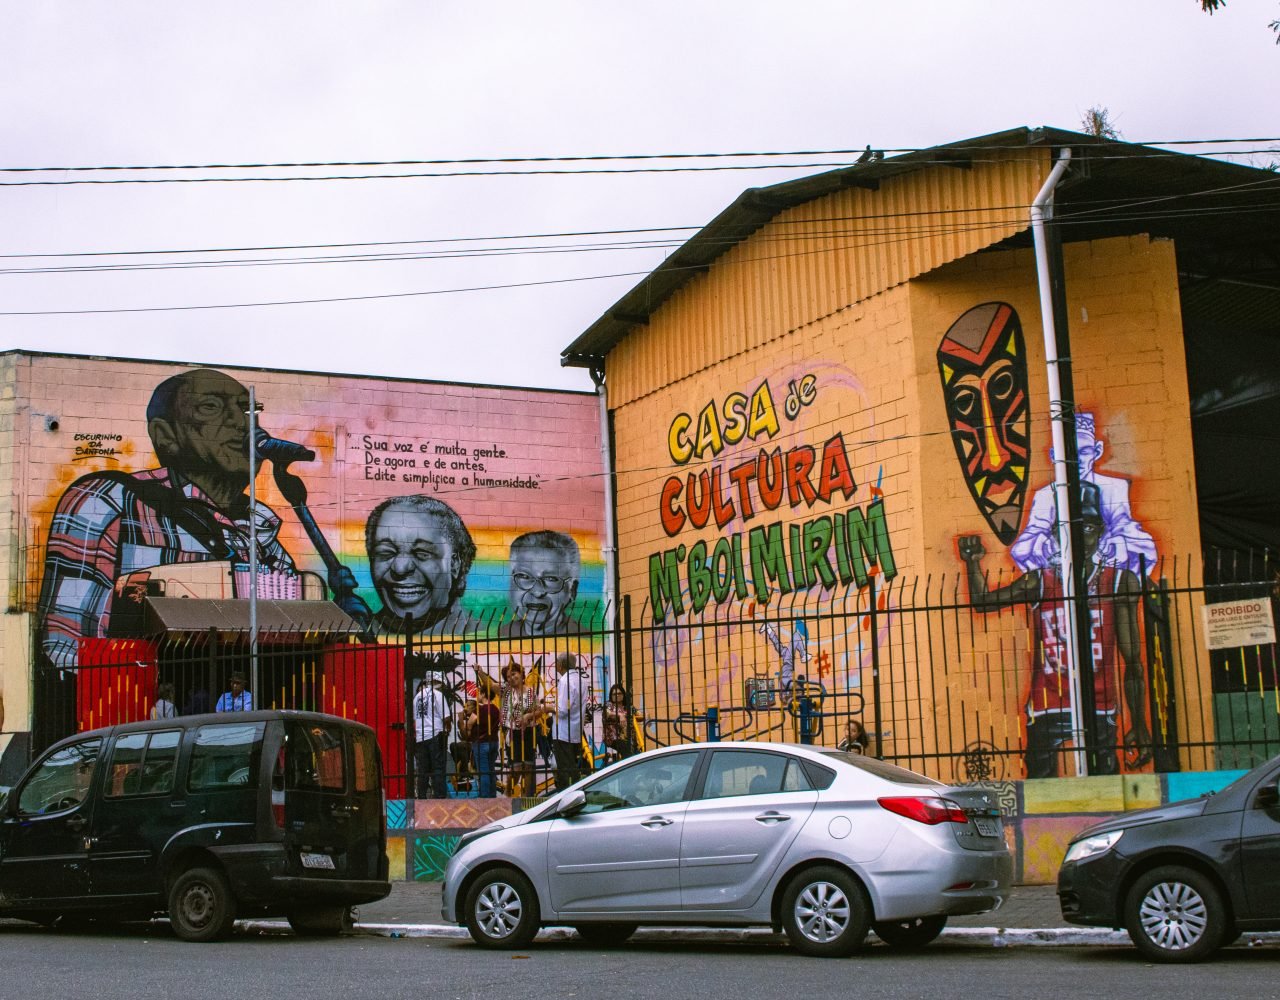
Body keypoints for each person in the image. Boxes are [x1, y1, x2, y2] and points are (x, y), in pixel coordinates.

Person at [36, 368, 299, 672]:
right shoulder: (111, 499)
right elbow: (66, 645)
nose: (242, 423)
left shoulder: (259, 526)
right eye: (211, 406)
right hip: (141, 700)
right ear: (166, 435)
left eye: (247, 408)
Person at [960, 481, 1152, 778]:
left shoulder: (1118, 582)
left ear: (1100, 533)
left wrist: (1138, 723)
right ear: (1054, 535)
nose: (1076, 537)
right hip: (1047, 705)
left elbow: (1134, 662)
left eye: (1086, 528)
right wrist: (972, 563)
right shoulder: (1039, 581)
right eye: (1067, 529)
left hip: (1099, 706)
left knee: (1106, 787)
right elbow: (984, 603)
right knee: (1040, 790)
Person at [1010, 412, 1158, 577]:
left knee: (1141, 546)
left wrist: (1113, 544)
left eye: (1085, 451)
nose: (1077, 460)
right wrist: (1047, 545)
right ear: (1054, 455)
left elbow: (1123, 525)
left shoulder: (1114, 487)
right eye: (1068, 454)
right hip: (1061, 557)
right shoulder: (1045, 495)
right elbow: (1031, 536)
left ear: (1097, 451)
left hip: (1102, 553)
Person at [365, 495, 478, 636]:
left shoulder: (481, 635)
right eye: (386, 553)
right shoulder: (359, 632)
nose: (400, 568)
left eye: (422, 553)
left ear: (454, 564)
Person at [498, 531, 581, 638]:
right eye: (524, 576)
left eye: (551, 579)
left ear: (572, 590)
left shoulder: (584, 640)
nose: (537, 592)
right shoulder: (503, 634)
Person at [499, 662, 541, 797]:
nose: (511, 678)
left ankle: (526, 798)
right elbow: (491, 686)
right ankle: (507, 793)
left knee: (528, 767)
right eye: (508, 677)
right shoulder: (506, 692)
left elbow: (538, 711)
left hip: (529, 731)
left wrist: (528, 715)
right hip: (513, 732)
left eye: (513, 674)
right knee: (515, 768)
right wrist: (480, 672)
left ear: (521, 674)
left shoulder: (530, 691)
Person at [549, 653, 586, 790]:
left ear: (561, 665)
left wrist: (547, 707)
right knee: (572, 767)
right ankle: (574, 791)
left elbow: (563, 710)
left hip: (563, 732)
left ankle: (566, 797)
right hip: (575, 730)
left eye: (557, 662)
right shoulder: (581, 680)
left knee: (564, 770)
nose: (556, 665)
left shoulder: (565, 681)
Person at [412, 676, 449, 798]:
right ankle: (439, 797)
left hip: (420, 736)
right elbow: (446, 717)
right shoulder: (437, 694)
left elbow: (415, 718)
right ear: (438, 683)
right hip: (435, 734)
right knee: (438, 768)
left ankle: (421, 797)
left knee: (423, 770)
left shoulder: (417, 697)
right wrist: (447, 729)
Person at [471, 686, 502, 798]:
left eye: (479, 693)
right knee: (491, 770)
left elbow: (470, 723)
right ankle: (492, 795)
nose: (477, 695)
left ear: (484, 694)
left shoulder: (479, 709)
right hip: (493, 742)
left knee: (483, 771)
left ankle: (485, 797)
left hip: (481, 742)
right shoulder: (495, 709)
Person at [602, 683, 640, 761]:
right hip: (614, 738)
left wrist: (646, 715)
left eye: (619, 693)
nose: (617, 696)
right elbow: (607, 713)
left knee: (637, 754)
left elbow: (638, 713)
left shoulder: (628, 707)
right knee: (626, 750)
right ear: (611, 696)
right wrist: (619, 715)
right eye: (614, 694)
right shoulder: (608, 705)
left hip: (629, 737)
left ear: (623, 694)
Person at [450, 699, 477, 793]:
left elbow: (466, 736)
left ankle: (465, 774)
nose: (465, 708)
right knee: (453, 745)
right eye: (464, 706)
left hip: (475, 744)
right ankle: (461, 773)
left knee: (462, 745)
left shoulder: (474, 717)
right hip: (468, 744)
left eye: (467, 706)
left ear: (474, 707)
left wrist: (461, 720)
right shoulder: (466, 718)